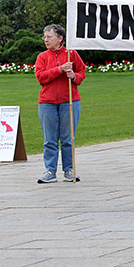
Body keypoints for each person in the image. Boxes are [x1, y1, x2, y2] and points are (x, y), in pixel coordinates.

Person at [35, 24, 86, 184]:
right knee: (49, 139)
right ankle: (50, 170)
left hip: (69, 101)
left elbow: (82, 72)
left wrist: (73, 76)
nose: (46, 40)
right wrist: (60, 70)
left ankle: (69, 170)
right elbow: (41, 77)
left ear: (60, 38)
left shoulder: (72, 54)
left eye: (49, 37)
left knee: (67, 138)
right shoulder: (42, 57)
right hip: (47, 102)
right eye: (45, 37)